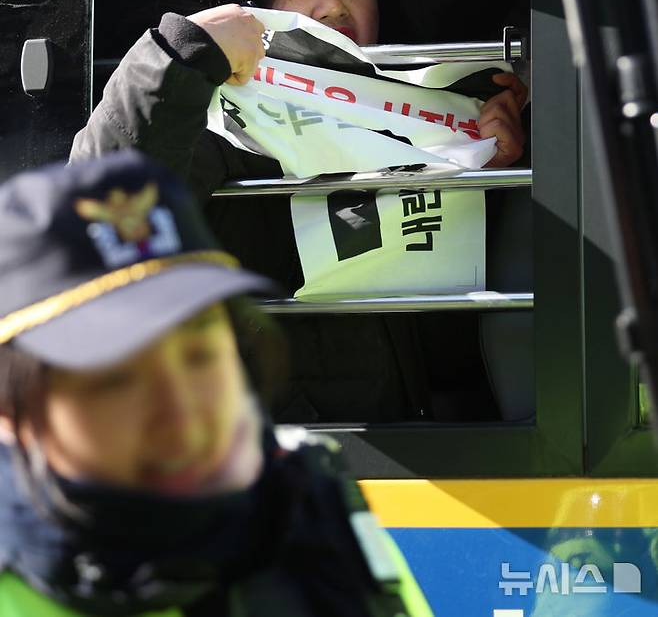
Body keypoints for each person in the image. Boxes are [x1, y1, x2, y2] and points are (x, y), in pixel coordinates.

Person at [72, 0, 527, 422]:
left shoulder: (424, 110)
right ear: (244, 6)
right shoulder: (211, 118)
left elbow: (451, 341)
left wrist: (493, 171)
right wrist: (183, 54)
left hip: (415, 451)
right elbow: (97, 230)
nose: (332, 5)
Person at [0, 149, 432, 617]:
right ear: (10, 410)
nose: (180, 406)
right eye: (116, 378)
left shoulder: (311, 516)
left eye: (201, 355)